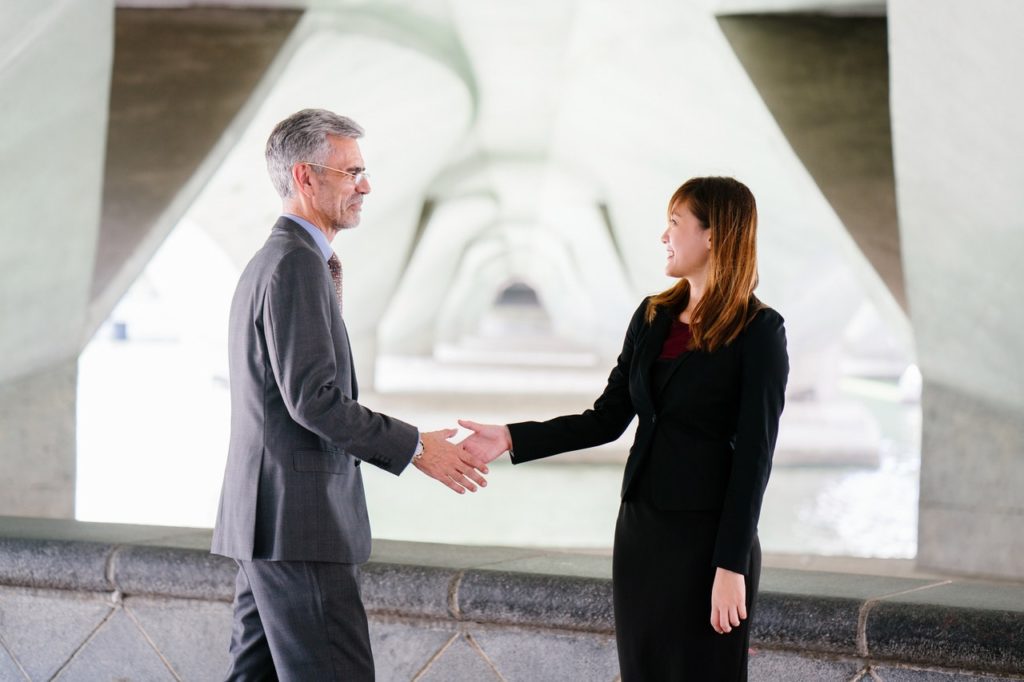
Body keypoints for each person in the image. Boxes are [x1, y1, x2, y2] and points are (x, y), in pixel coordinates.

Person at [459, 176, 788, 681]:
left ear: (715, 235)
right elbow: (607, 418)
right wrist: (510, 436)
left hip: (709, 543)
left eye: (675, 224)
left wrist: (732, 566)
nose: (664, 236)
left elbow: (755, 458)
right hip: (641, 534)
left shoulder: (760, 331)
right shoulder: (653, 316)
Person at [211, 108, 488, 680]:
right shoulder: (296, 266)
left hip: (267, 523)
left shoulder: (272, 261)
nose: (365, 185)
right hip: (300, 526)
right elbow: (312, 399)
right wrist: (415, 447)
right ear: (306, 177)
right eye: (351, 171)